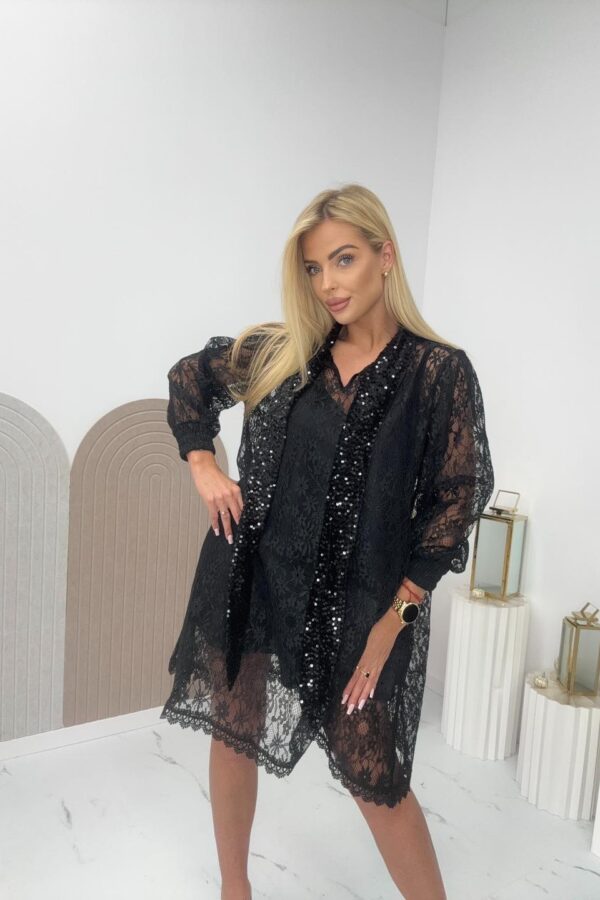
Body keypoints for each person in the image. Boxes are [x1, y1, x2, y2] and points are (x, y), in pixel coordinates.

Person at [160, 183, 495, 900]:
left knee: (377, 775)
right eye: (314, 268)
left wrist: (394, 619)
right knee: (234, 728)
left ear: (385, 256)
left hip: (362, 604)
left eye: (344, 260)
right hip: (253, 576)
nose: (328, 284)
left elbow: (456, 500)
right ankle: (234, 889)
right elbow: (189, 378)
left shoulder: (436, 371)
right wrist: (204, 464)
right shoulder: (284, 351)